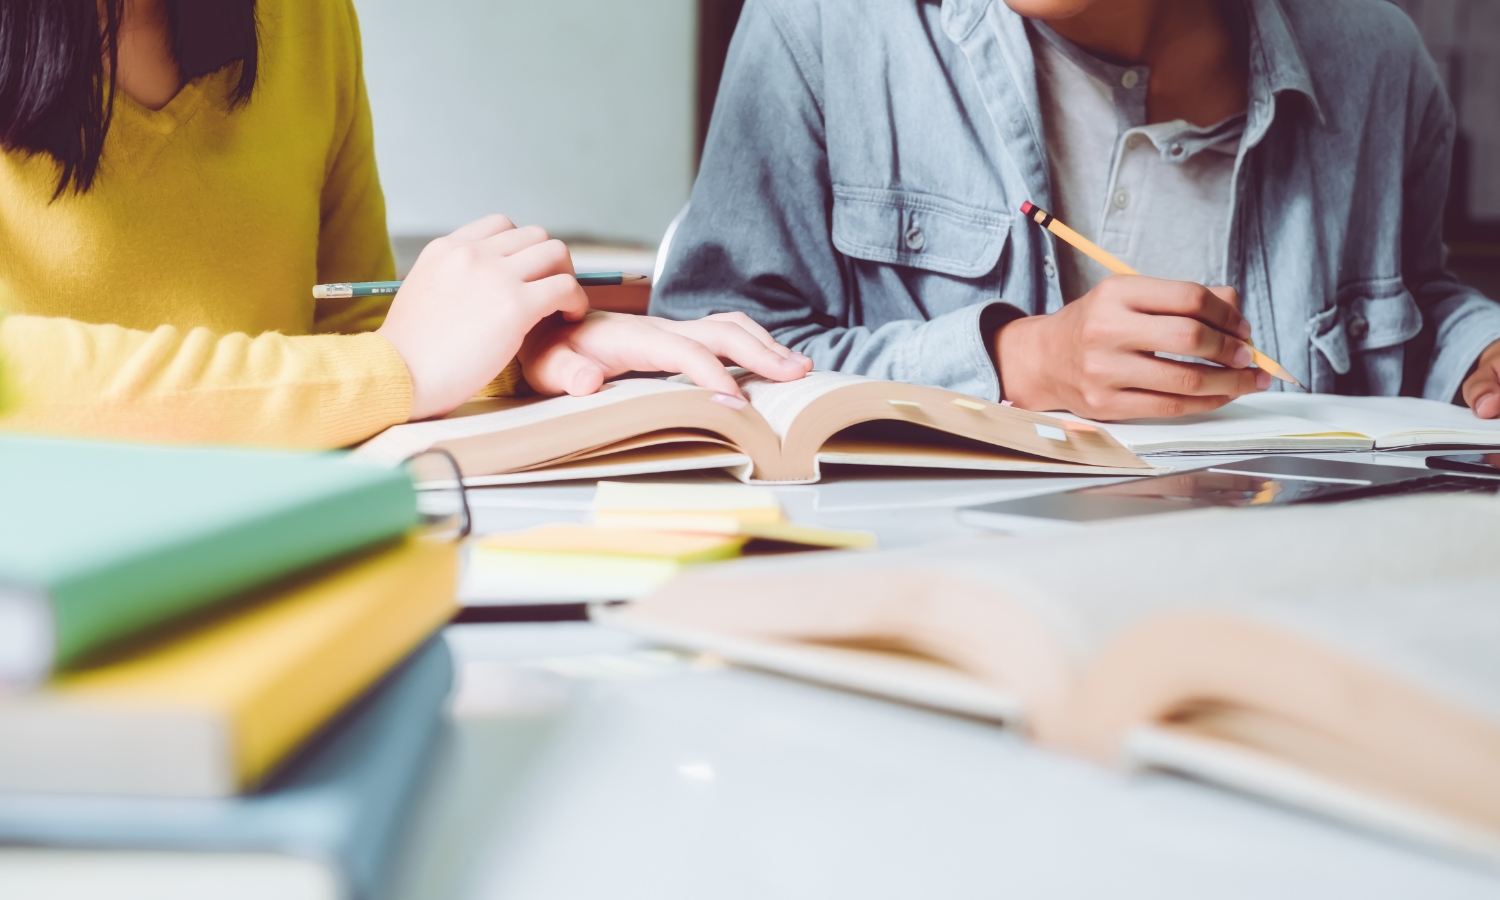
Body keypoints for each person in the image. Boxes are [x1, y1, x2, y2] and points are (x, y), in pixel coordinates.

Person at [0, 0, 811, 448]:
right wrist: (400, 370)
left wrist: (515, 348)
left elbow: (344, 327)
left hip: (276, 560)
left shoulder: (305, 20)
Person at [651, 0, 1500, 421]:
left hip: (1289, 608)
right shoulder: (822, 27)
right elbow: (696, 359)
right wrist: (1018, 364)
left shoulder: (1377, 59)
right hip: (948, 606)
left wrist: (1471, 353)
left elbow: (1409, 302)